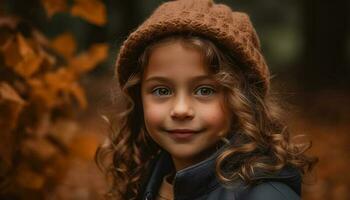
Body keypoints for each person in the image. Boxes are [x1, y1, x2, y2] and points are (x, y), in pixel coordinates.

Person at [96, 0, 317, 199]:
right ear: (139, 98)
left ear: (242, 99)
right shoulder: (145, 179)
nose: (181, 110)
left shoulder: (265, 196)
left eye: (204, 90)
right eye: (162, 91)